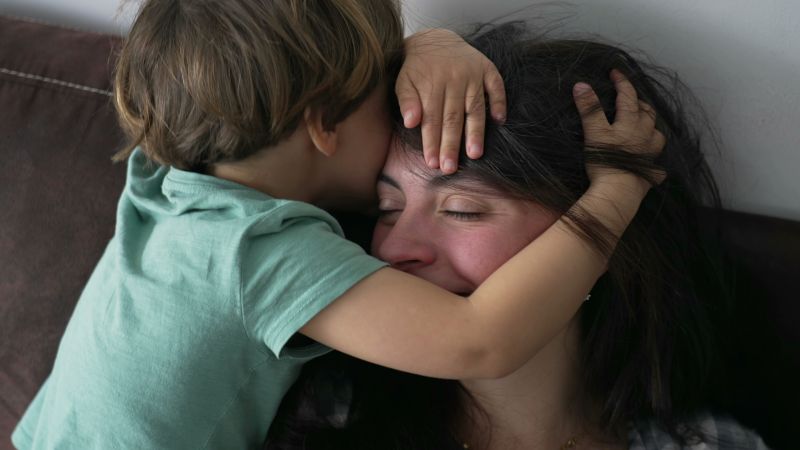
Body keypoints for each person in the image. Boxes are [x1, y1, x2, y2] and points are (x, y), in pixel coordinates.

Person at [12, 1, 662, 448]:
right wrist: (616, 190)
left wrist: (431, 43)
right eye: (392, 88)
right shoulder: (260, 253)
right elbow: (480, 341)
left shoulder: (171, 182)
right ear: (323, 123)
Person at [264, 22, 769, 450]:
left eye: (462, 210)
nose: (392, 250)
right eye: (386, 208)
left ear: (610, 231)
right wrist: (429, 43)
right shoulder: (326, 416)